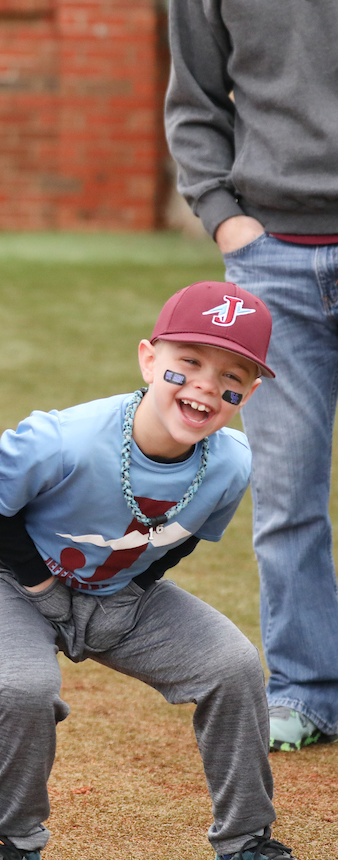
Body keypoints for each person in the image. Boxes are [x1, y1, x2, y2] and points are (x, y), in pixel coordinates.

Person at [0, 281, 297, 860]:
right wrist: (37, 584)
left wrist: (134, 589)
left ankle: (246, 840)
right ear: (148, 358)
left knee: (234, 665)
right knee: (26, 687)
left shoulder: (232, 464)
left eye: (232, 378)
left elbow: (178, 538)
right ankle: (12, 838)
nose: (209, 386)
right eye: (189, 363)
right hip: (7, 575)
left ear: (250, 392)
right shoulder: (70, 438)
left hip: (116, 593)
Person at [164, 0, 338, 754]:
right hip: (273, 262)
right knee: (287, 495)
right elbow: (195, 100)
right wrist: (226, 217)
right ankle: (305, 691)